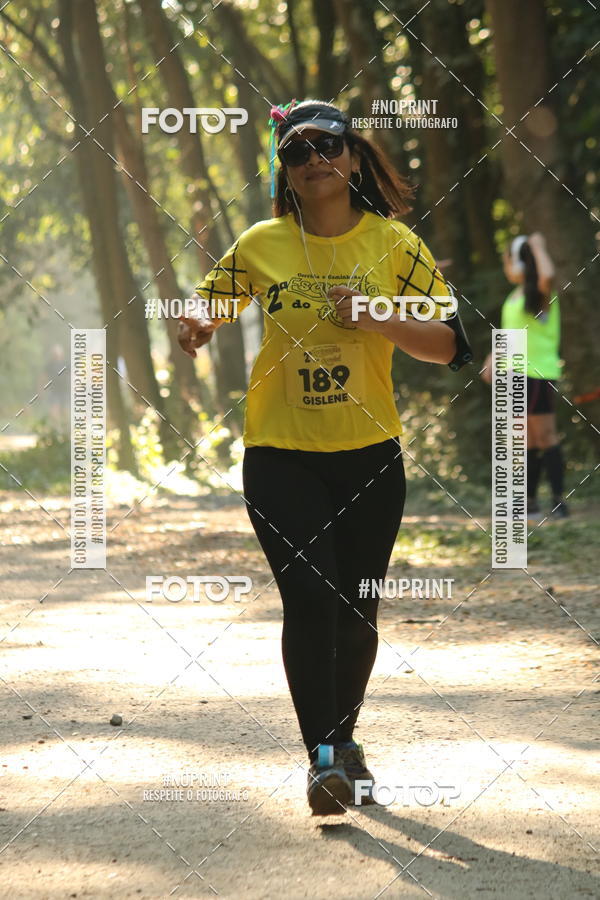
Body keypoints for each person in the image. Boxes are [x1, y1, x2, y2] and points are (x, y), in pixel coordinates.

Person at [178, 99, 472, 816]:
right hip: (279, 452)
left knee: (357, 609)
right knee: (311, 599)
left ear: (351, 157)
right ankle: (325, 761)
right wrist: (193, 323)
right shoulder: (260, 244)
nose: (314, 160)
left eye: (326, 147)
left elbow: (452, 346)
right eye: (297, 150)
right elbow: (208, 305)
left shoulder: (395, 244)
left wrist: (374, 314)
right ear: (283, 167)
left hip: (369, 454)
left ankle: (344, 740)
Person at [482, 233, 568, 519]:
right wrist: (493, 359)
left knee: (545, 436)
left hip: (538, 373)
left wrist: (538, 246)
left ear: (518, 263)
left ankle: (559, 501)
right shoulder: (513, 297)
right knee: (526, 440)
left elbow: (547, 274)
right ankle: (528, 502)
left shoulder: (540, 293)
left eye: (508, 260)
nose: (506, 267)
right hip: (514, 373)